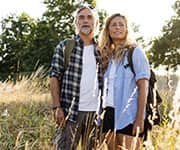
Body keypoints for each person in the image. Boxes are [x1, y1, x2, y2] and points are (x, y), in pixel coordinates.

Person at [49, 5, 102, 150]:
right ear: (76, 23)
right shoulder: (65, 47)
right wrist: (56, 107)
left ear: (96, 23)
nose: (85, 21)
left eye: (90, 17)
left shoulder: (102, 49)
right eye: (81, 17)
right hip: (70, 112)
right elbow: (54, 77)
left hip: (95, 115)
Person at [98, 13, 150, 150]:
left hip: (129, 115)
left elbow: (143, 86)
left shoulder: (135, 52)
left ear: (126, 29)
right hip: (109, 113)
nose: (117, 27)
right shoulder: (108, 57)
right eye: (113, 25)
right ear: (108, 30)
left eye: (121, 24)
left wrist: (139, 119)